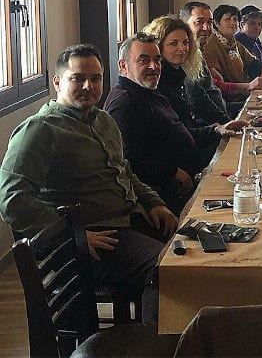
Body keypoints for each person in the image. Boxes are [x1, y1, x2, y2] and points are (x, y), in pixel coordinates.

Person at [0, 44, 177, 325]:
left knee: (200, 250)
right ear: (58, 82)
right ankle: (156, 347)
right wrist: (74, 235)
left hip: (127, 224)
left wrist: (154, 202)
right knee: (169, 270)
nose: (88, 86)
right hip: (92, 242)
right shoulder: (41, 129)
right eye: (77, 78)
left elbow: (124, 171)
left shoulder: (103, 120)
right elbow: (12, 198)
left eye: (95, 79)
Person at [104, 33, 215, 215]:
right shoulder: (125, 102)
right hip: (167, 195)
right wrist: (172, 172)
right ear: (123, 66)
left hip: (192, 177)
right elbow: (128, 158)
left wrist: (217, 130)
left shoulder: (151, 92)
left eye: (157, 60)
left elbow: (180, 132)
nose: (153, 67)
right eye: (144, 60)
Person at [143, 14, 245, 145]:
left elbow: (203, 103)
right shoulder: (157, 81)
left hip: (194, 138)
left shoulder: (179, 73)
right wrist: (217, 130)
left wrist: (229, 124)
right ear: (158, 47)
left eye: (185, 42)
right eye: (174, 43)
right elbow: (175, 135)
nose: (182, 48)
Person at [203, 4, 262, 116]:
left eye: (235, 19)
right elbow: (218, 84)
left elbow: (252, 61)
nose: (233, 23)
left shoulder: (232, 41)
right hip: (230, 101)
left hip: (243, 93)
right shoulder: (211, 44)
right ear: (217, 23)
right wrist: (248, 86)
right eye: (227, 19)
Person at [179, 1, 231, 125]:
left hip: (221, 114)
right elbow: (198, 101)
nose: (207, 28)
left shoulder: (198, 52)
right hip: (208, 126)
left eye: (209, 22)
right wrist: (228, 124)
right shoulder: (184, 56)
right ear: (184, 25)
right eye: (199, 22)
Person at [235, 5, 262, 73]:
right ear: (241, 25)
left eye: (259, 24)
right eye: (252, 23)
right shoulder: (236, 43)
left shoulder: (258, 42)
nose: (257, 27)